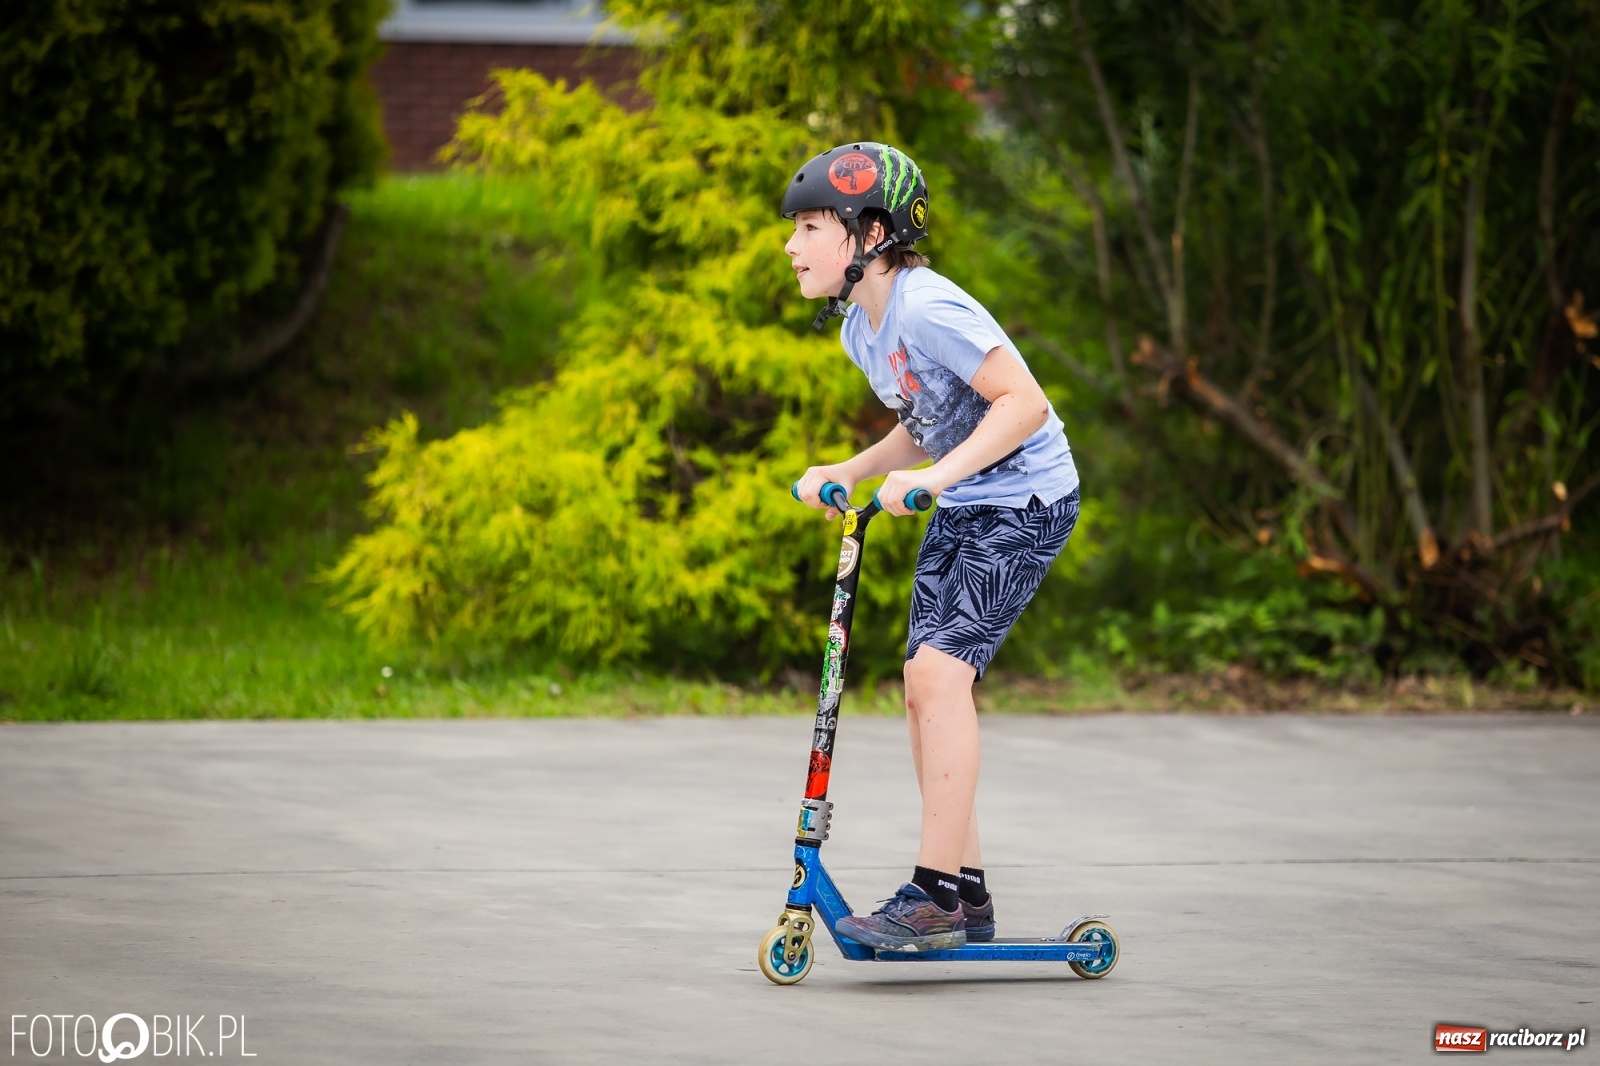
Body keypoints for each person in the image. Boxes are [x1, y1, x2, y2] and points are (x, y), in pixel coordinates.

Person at [784, 142, 1082, 951]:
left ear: (870, 233)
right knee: (923, 687)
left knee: (939, 675)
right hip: (965, 498)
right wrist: (855, 468)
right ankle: (969, 894)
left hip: (1026, 498)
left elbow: (1023, 403)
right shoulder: (862, 330)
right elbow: (926, 418)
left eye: (811, 227)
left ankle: (935, 896)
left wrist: (938, 479)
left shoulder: (926, 307)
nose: (791, 245)